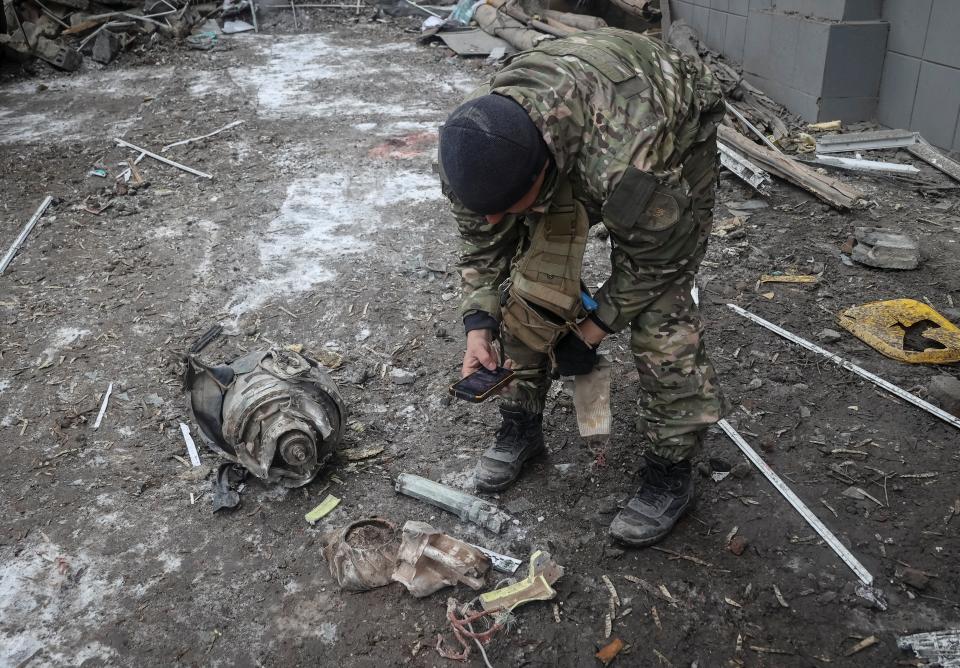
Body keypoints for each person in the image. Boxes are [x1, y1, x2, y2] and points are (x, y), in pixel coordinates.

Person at [437, 27, 728, 547]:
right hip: (573, 118)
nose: (497, 217)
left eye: (511, 206)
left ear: (542, 178)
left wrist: (592, 328)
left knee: (663, 316)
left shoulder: (630, 164)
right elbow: (485, 247)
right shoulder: (475, 147)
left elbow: (658, 259)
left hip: (668, 117)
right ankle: (520, 421)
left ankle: (671, 469)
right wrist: (478, 324)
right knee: (530, 286)